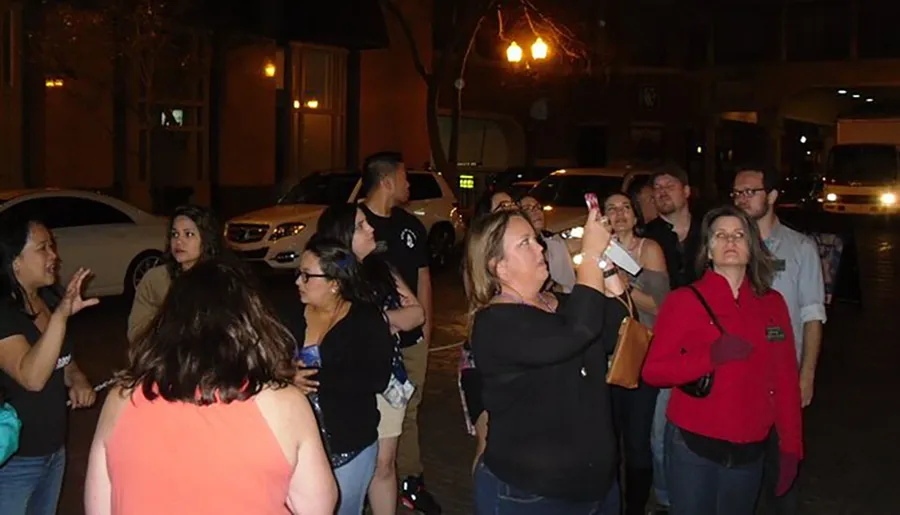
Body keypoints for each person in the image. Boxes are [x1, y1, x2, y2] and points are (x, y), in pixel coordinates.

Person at [84, 259, 337, 515]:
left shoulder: (121, 399)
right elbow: (317, 507)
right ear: (251, 322)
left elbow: (99, 508)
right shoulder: (285, 405)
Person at [642, 205, 803, 515]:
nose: (730, 241)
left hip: (750, 447)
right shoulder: (684, 301)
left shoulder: (772, 304)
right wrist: (710, 357)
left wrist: (791, 446)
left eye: (739, 235)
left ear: (752, 247)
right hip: (693, 444)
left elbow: (784, 379)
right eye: (721, 235)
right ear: (709, 248)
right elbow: (654, 371)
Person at [467, 206, 628, 514]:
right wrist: (590, 256)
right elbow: (577, 332)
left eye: (536, 239)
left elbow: (615, 330)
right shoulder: (495, 323)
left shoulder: (562, 303)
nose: (540, 247)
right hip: (533, 493)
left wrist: (607, 269)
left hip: (597, 485)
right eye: (525, 242)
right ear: (499, 266)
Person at [316, 203, 425, 515]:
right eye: (362, 225)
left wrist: (375, 321)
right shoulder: (327, 275)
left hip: (388, 380)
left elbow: (416, 313)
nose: (371, 229)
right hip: (346, 382)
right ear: (343, 234)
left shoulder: (382, 269)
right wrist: (382, 323)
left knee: (384, 464)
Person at [732, 163, 826, 514]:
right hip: (737, 374)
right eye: (737, 192)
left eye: (749, 191)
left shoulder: (800, 248)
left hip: (781, 375)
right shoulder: (727, 246)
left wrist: (807, 375)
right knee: (741, 468)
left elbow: (812, 315)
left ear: (771, 196)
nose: (741, 198)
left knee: (782, 467)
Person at [283, 237, 395, 515]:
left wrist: (318, 379)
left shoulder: (365, 319)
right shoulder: (289, 314)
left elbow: (377, 377)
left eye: (307, 276)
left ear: (335, 283)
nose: (299, 281)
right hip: (296, 443)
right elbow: (263, 362)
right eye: (299, 273)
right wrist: (286, 375)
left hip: (349, 444)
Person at [0, 219, 99, 515]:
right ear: (15, 262)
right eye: (43, 248)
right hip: (15, 460)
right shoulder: (4, 314)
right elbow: (32, 376)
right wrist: (61, 316)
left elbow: (62, 361)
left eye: (52, 246)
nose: (54, 255)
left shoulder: (45, 300)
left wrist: (77, 378)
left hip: (54, 453)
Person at [359, 151, 440, 513]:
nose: (410, 185)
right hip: (372, 342)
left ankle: (408, 479)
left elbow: (423, 278)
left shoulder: (410, 225)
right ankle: (366, 480)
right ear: (387, 181)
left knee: (409, 409)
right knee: (369, 412)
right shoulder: (354, 225)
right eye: (405, 178)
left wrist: (426, 328)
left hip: (411, 339)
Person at [641, 164, 703, 513]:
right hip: (664, 346)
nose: (662, 191)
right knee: (660, 431)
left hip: (708, 343)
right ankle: (667, 501)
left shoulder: (711, 231)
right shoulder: (649, 236)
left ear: (687, 191)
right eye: (657, 187)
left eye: (669, 185)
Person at [603, 192, 670, 515]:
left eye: (625, 207)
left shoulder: (650, 250)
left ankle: (634, 508)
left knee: (637, 443)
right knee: (607, 441)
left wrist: (622, 283)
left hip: (640, 355)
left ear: (636, 214)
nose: (619, 214)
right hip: (603, 356)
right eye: (611, 209)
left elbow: (663, 307)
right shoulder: (595, 252)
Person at [127, 205, 225, 343]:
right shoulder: (157, 280)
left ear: (206, 239)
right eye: (175, 234)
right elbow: (136, 333)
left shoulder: (224, 280)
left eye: (188, 234)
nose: (179, 241)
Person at [519, 194, 577, 293]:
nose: (536, 211)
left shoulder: (554, 241)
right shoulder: (517, 248)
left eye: (538, 207)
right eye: (528, 208)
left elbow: (569, 282)